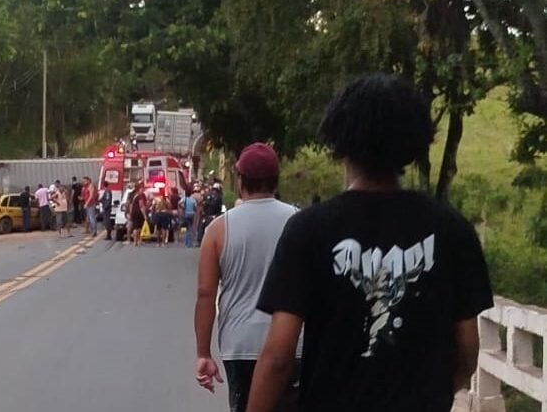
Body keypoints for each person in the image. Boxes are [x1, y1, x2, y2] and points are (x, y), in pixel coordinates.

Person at [247, 74, 494, 412]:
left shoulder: (309, 230)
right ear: (414, 143)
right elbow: (467, 350)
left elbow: (278, 355)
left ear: (340, 141)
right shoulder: (453, 230)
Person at [194, 143, 301, 412]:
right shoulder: (300, 221)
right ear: (276, 180)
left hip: (240, 344)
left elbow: (206, 294)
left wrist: (204, 353)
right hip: (292, 342)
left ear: (240, 180)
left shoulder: (218, 230)